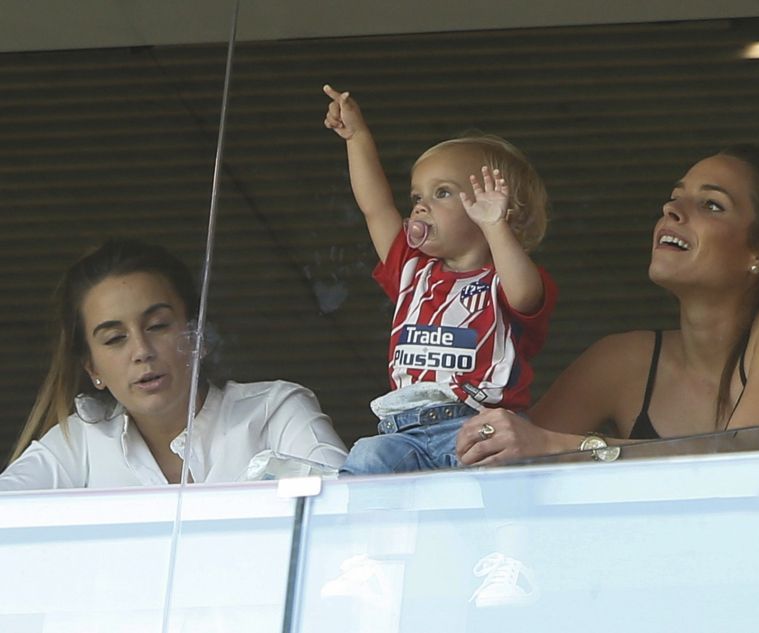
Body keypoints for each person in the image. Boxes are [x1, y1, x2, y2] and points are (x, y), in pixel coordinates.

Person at [457, 143, 759, 465]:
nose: (670, 210)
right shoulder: (620, 359)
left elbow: (746, 461)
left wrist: (562, 447)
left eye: (711, 205)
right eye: (674, 198)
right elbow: (513, 460)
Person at [323, 85, 557, 475]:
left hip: (477, 427)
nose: (419, 206)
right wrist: (357, 137)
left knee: (496, 484)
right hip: (404, 431)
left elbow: (526, 294)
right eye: (417, 195)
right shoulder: (411, 270)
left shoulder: (505, 279)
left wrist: (495, 226)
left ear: (497, 209)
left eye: (442, 192)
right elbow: (376, 206)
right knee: (365, 458)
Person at [0, 239, 347, 491]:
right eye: (114, 338)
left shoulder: (275, 413)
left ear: (198, 333)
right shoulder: (80, 442)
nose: (141, 350)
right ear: (92, 369)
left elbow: (348, 507)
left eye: (157, 326)